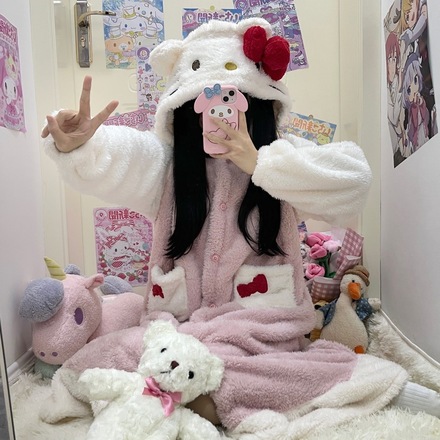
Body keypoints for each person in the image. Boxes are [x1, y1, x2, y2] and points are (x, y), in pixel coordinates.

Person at [40, 17, 440, 438]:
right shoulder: (167, 169)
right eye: (203, 107)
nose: (219, 118)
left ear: (260, 108)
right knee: (109, 354)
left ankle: (183, 397)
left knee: (274, 370)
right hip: (175, 335)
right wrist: (85, 146)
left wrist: (261, 163)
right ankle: (195, 396)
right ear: (183, 113)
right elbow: (122, 157)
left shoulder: (283, 161)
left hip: (260, 341)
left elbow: (354, 180)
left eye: (233, 104)